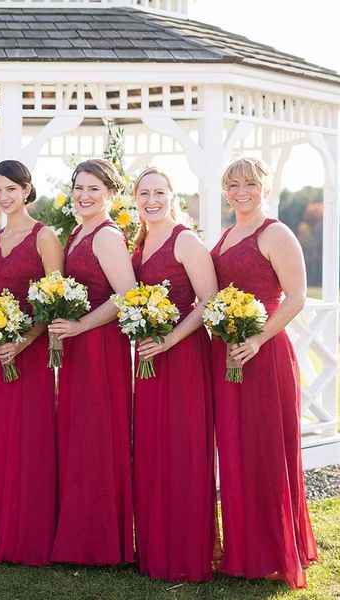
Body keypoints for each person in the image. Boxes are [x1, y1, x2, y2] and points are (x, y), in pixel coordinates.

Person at [211, 157, 318, 589]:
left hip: (265, 354)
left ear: (265, 187)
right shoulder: (226, 234)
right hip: (231, 355)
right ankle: (243, 548)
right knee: (235, 451)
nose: (242, 191)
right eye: (233, 183)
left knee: (267, 449)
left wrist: (257, 339)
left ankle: (274, 549)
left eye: (250, 183)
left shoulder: (275, 232)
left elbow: (296, 297)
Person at [131, 167, 217, 582]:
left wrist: (169, 340)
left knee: (181, 449)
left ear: (172, 195)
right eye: (144, 193)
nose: (152, 200)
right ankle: (154, 549)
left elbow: (209, 301)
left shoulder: (185, 239)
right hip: (149, 358)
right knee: (150, 448)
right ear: (135, 198)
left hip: (181, 358)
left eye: (159, 192)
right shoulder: (142, 241)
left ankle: (185, 552)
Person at [49, 159, 135, 565]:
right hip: (80, 345)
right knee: (79, 435)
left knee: (98, 435)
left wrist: (81, 326)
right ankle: (79, 534)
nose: (83, 196)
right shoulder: (78, 232)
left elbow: (126, 295)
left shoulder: (106, 236)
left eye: (93, 190)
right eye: (78, 188)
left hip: (100, 347)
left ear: (110, 194)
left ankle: (99, 541)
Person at [0, 160, 63, 565]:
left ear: (27, 191)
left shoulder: (44, 236)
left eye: (11, 188)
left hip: (30, 356)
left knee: (30, 441)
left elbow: (55, 298)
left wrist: (24, 340)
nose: (4, 197)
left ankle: (31, 537)